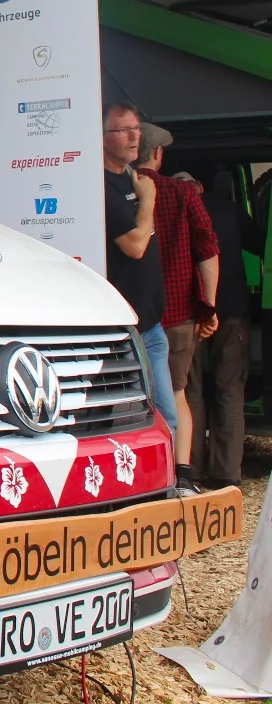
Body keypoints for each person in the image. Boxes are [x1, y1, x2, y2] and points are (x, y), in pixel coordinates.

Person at [135, 125, 218, 497]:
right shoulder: (183, 192)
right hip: (179, 314)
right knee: (178, 393)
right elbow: (208, 250)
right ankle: (181, 475)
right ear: (158, 155)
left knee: (137, 399)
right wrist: (209, 306)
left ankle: (142, 475)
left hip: (134, 313)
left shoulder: (119, 190)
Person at [101, 103, 179, 436]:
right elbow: (135, 246)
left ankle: (169, 485)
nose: (135, 136)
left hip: (151, 325)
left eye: (136, 129)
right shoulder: (101, 187)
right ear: (102, 137)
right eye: (123, 130)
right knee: (130, 422)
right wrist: (148, 200)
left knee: (167, 418)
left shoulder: (131, 177)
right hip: (121, 330)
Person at [185, 171, 256, 489]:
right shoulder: (228, 208)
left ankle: (192, 467)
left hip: (192, 311)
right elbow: (257, 241)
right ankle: (227, 473)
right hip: (232, 309)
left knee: (190, 391)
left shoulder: (171, 206)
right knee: (230, 389)